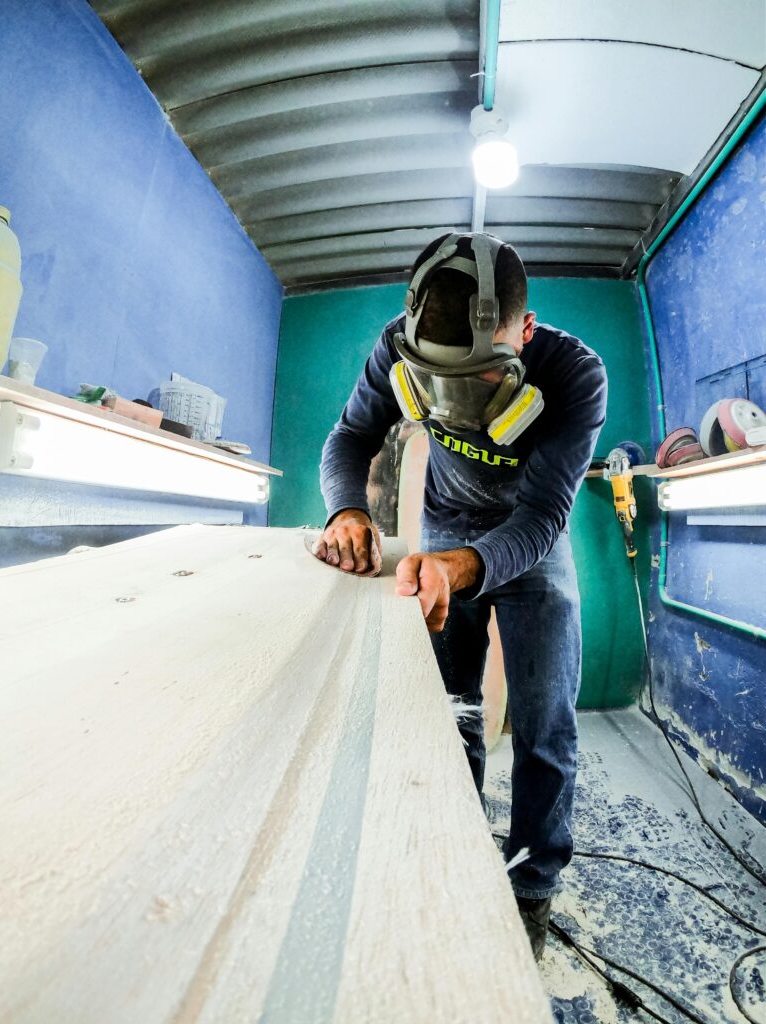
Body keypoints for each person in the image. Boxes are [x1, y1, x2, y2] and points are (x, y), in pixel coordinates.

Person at [313, 232, 607, 959]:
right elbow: (350, 436)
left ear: (525, 335)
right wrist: (346, 508)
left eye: (475, 380)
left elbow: (542, 518)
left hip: (530, 541)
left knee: (546, 728)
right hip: (443, 524)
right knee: (452, 710)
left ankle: (531, 890)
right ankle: (454, 846)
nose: (452, 405)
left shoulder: (574, 375)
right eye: (433, 381)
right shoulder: (393, 345)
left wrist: (462, 565)